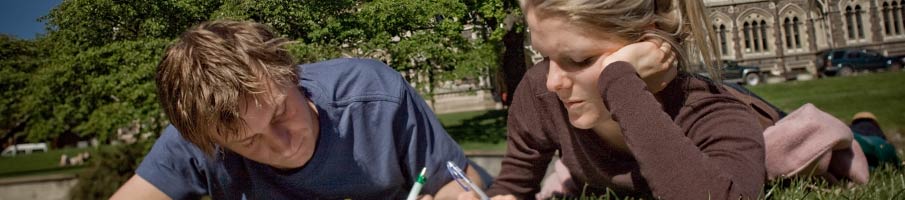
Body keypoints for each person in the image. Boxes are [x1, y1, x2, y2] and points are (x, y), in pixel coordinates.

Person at [110, 20, 485, 199]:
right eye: (249, 142)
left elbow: (458, 180)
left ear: (292, 74)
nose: (284, 145)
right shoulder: (201, 131)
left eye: (279, 114)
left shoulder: (374, 96)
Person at [484, 0, 777, 199]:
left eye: (580, 59)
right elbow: (513, 185)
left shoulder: (713, 114)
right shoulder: (540, 91)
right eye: (545, 57)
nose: (552, 82)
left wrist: (620, 80)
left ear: (648, 44)